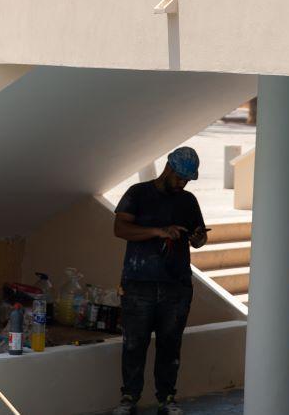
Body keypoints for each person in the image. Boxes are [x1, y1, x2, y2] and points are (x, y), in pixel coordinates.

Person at [111, 146, 208, 415]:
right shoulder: (138, 194)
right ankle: (129, 398)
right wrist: (158, 231)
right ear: (168, 168)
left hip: (176, 286)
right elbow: (120, 228)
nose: (182, 183)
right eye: (179, 177)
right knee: (134, 344)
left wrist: (198, 237)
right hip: (138, 283)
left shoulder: (187, 201)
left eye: (187, 180)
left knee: (170, 346)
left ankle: (167, 398)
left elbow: (198, 238)